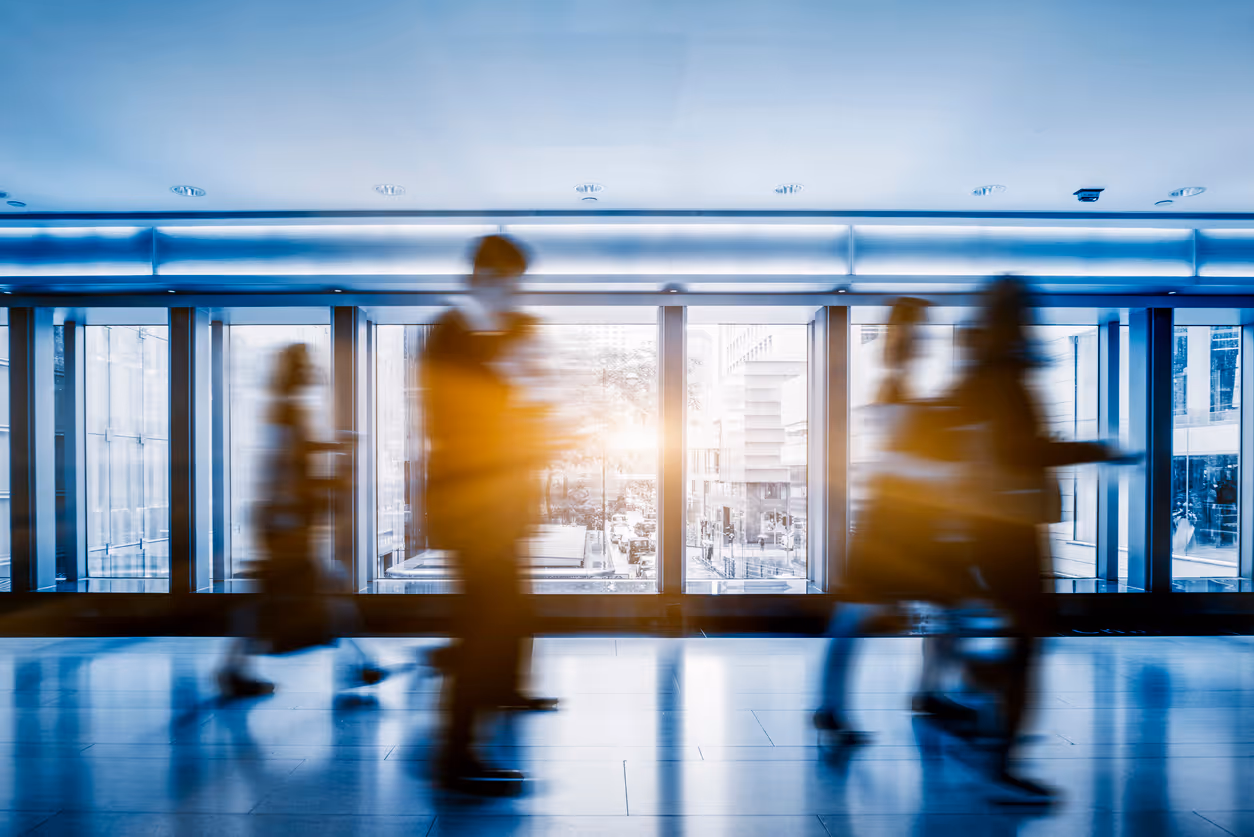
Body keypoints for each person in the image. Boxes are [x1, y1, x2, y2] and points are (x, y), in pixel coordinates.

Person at [949, 276, 1124, 804]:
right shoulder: (1006, 374)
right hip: (1009, 526)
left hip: (991, 525)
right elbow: (1019, 450)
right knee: (1027, 641)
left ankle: (984, 696)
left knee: (1022, 639)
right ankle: (1002, 758)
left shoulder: (983, 372)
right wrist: (1096, 450)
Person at [422, 234, 559, 793]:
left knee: (508, 608)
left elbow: (527, 405)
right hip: (470, 503)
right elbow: (457, 419)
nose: (517, 293)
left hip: (496, 501)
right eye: (510, 281)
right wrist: (509, 369)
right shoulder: (453, 333)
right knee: (485, 621)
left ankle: (500, 687)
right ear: (485, 277)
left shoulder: (497, 331)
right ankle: (455, 755)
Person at [816, 298, 971, 744]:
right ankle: (909, 694)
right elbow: (891, 457)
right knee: (861, 615)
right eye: (920, 327)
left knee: (941, 604)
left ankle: (918, 692)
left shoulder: (901, 383)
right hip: (894, 522)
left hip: (903, 520)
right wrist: (943, 469)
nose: (925, 337)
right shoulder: (893, 383)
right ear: (904, 333)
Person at [216, 343, 386, 700]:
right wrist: (336, 462)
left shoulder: (285, 409)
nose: (313, 372)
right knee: (315, 588)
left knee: (293, 592)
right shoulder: (287, 410)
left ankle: (235, 669)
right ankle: (360, 663)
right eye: (306, 366)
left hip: (286, 521)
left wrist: (333, 453)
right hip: (287, 524)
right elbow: (288, 465)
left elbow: (295, 458)